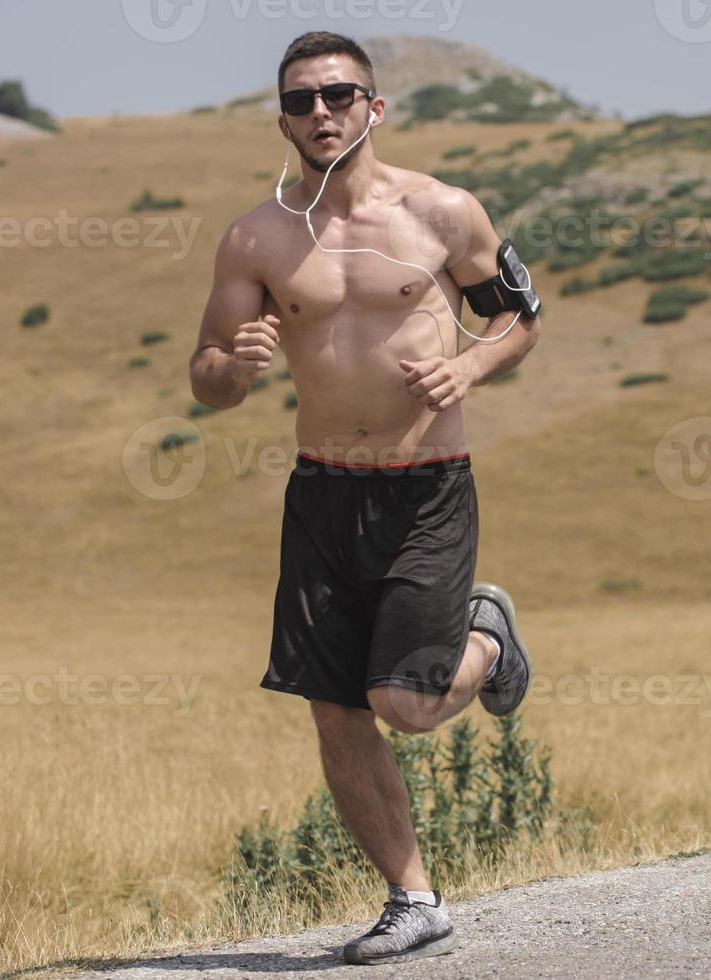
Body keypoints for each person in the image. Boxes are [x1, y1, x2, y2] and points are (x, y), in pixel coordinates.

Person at [188, 31, 542, 965]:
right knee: (333, 706)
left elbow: (522, 318)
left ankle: (488, 639)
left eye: (339, 95)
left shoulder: (444, 212)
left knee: (404, 703)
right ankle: (413, 898)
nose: (321, 113)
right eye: (302, 101)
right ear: (283, 121)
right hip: (320, 494)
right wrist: (237, 365)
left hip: (426, 487)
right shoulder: (255, 237)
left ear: (373, 108)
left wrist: (470, 363)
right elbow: (206, 376)